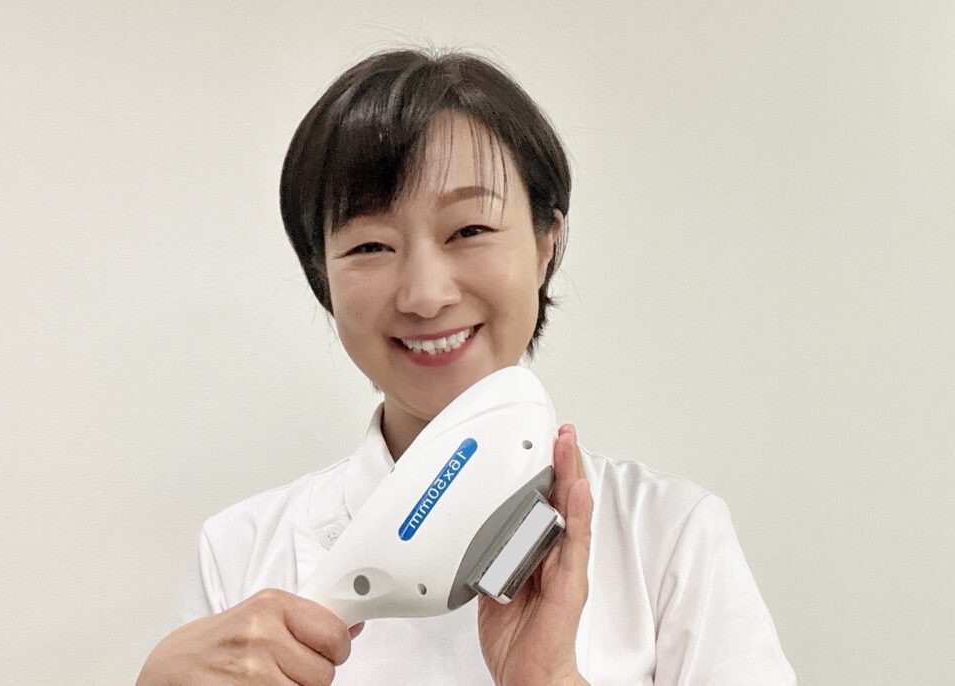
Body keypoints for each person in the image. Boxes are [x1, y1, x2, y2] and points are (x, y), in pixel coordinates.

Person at [136, 49, 797, 686]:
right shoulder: (239, 553)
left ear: (545, 244)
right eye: (370, 245)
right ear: (323, 279)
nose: (425, 295)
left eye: (469, 231)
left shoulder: (669, 536)